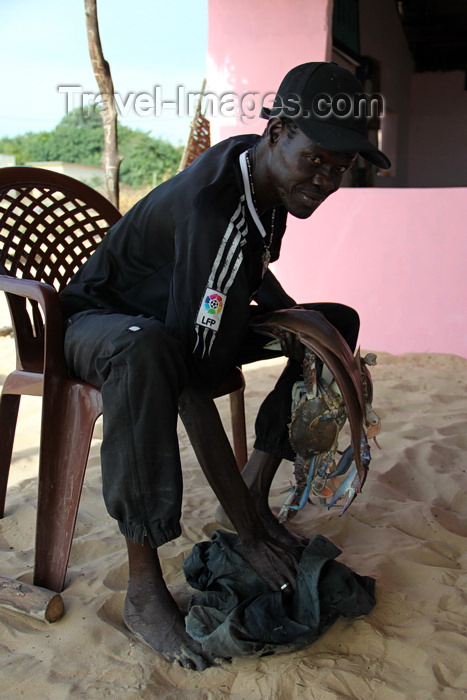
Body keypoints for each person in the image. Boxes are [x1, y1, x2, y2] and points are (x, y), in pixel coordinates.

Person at [60, 62, 390, 670]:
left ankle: (256, 493)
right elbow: (190, 382)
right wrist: (254, 541)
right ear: (279, 131)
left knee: (332, 325)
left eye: (339, 170)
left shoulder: (263, 177)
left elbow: (245, 269)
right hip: (98, 325)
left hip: (179, 317)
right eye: (316, 160)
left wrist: (301, 322)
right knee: (150, 350)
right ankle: (143, 588)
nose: (324, 180)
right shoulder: (214, 207)